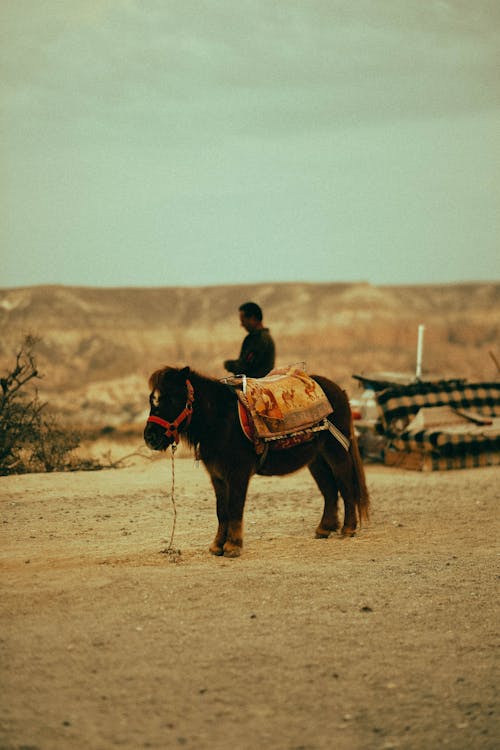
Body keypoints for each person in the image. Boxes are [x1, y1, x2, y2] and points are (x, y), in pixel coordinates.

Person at [223, 302, 275, 378]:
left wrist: (229, 365)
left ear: (253, 318)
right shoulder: (255, 337)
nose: (242, 325)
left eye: (243, 321)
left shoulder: (260, 339)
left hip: (256, 386)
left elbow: (246, 366)